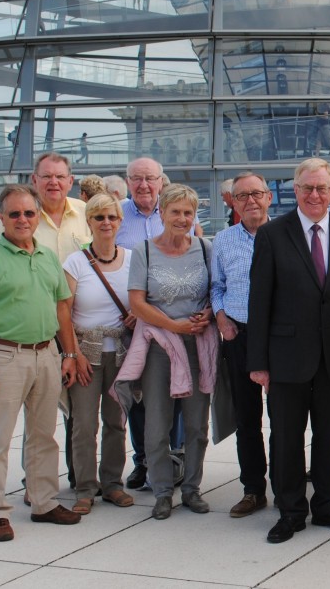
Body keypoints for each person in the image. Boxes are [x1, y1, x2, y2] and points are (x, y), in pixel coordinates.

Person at [248, 158, 330, 544]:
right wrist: (258, 363)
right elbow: (259, 303)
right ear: (295, 190)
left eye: (322, 188)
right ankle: (290, 509)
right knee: (286, 436)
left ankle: (327, 504)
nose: (315, 195)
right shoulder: (272, 234)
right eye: (307, 188)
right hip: (286, 358)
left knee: (329, 437)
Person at [0, 184, 82, 542]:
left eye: (29, 213)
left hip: (46, 355)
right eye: (14, 214)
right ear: (1, 218)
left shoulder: (46, 257)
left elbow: (62, 308)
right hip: (3, 357)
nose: (23, 219)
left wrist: (70, 354)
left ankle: (43, 502)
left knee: (44, 436)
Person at [122, 184, 215, 520]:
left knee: (196, 426)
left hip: (198, 345)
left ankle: (191, 488)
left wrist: (209, 312)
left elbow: (215, 292)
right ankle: (162, 491)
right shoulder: (144, 250)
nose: (182, 218)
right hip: (159, 347)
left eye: (188, 212)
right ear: (161, 213)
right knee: (157, 424)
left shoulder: (205, 248)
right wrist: (174, 327)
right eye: (175, 211)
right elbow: (137, 303)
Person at [63, 194, 137, 515]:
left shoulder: (134, 259)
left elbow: (143, 300)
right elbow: (62, 313)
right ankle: (84, 487)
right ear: (89, 223)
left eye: (111, 217)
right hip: (85, 353)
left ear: (120, 221)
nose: (106, 223)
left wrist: (138, 313)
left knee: (116, 422)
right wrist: (72, 353)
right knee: (83, 424)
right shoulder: (75, 262)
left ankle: (112, 484)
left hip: (120, 353)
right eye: (99, 218)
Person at [116, 156, 186, 490]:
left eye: (150, 178)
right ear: (127, 181)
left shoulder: (178, 213)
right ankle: (143, 460)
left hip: (173, 324)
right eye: (137, 178)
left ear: (161, 181)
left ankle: (175, 457)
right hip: (131, 323)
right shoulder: (116, 215)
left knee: (177, 394)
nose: (144, 185)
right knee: (139, 397)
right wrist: (136, 307)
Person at [212, 172, 275, 518]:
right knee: (246, 418)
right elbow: (216, 286)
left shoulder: (285, 234)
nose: (250, 200)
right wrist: (221, 318)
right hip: (239, 335)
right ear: (232, 202)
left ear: (267, 197)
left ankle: (286, 483)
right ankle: (253, 489)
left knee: (283, 415)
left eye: (256, 193)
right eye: (242, 196)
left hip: (279, 337)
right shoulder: (222, 240)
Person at [0, 152, 92, 262]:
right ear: (34, 180)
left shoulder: (87, 212)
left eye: (60, 177)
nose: (54, 182)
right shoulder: (14, 217)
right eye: (47, 176)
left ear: (70, 181)